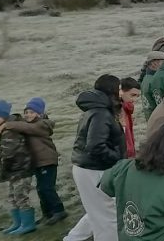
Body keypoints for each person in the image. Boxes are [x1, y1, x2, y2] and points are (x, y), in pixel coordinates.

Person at [64, 75, 127, 241]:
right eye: (119, 88)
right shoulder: (101, 113)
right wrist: (117, 157)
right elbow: (95, 146)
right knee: (108, 218)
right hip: (93, 170)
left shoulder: (98, 110)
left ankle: (73, 239)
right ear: (111, 90)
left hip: (88, 168)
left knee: (97, 211)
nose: (121, 92)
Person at [0, 97, 68, 226]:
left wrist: (6, 124)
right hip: (38, 163)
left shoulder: (42, 124)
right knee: (40, 189)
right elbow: (24, 128)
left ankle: (59, 210)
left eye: (31, 112)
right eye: (26, 112)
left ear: (39, 114)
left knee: (47, 188)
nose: (28, 115)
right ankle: (47, 214)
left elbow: (28, 128)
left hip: (47, 161)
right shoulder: (28, 125)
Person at [0, 100, 38, 235]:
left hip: (21, 170)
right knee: (12, 197)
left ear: (3, 115)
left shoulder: (10, 130)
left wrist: (4, 170)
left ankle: (28, 224)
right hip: (13, 171)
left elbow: (10, 153)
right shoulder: (5, 128)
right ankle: (17, 223)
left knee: (21, 196)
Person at [118, 78, 141, 158]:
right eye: (132, 95)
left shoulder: (126, 108)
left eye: (137, 96)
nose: (134, 99)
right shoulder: (118, 110)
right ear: (122, 92)